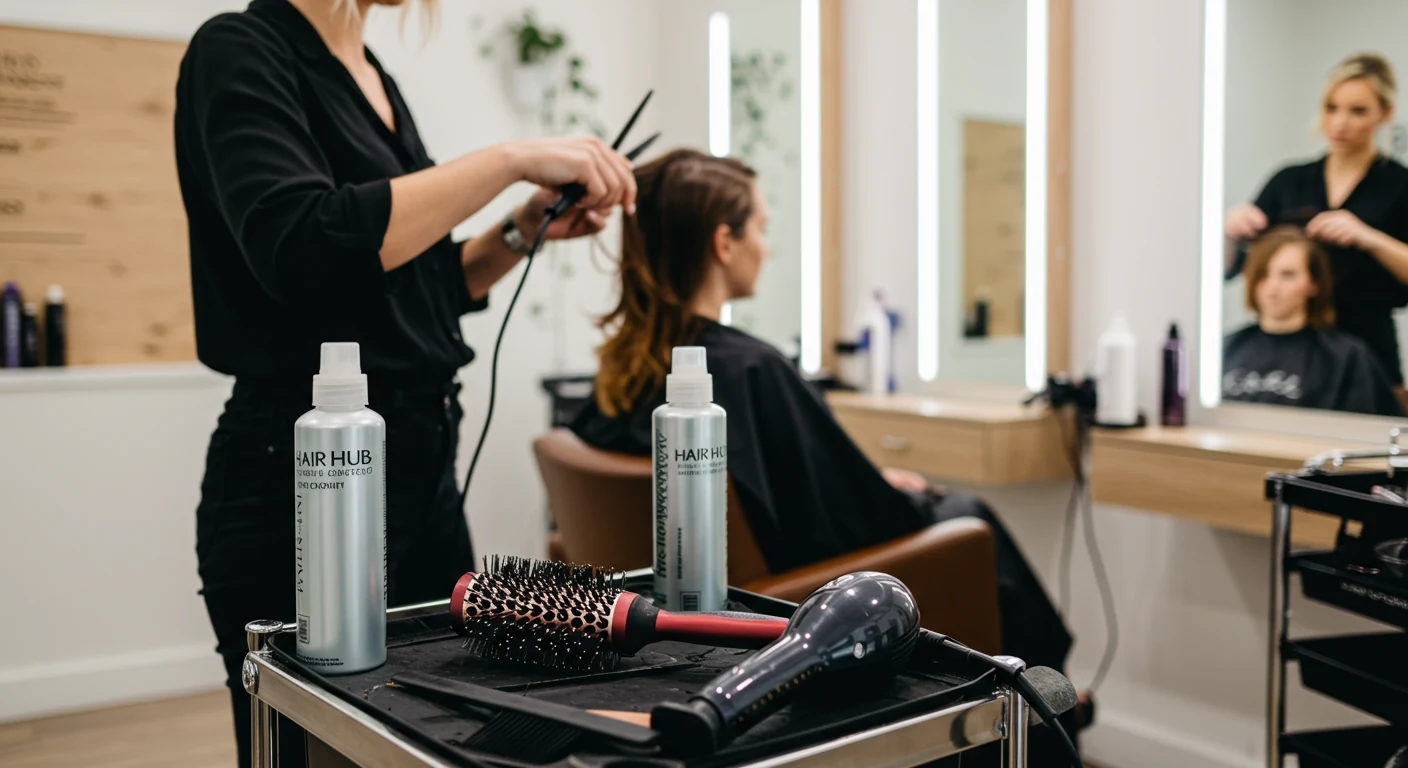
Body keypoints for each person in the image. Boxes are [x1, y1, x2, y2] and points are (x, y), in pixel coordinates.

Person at [175, 0, 637, 764]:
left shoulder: (373, 78)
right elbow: (304, 247)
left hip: (422, 471)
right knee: (310, 742)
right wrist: (510, 158)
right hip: (301, 471)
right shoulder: (238, 49)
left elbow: (420, 287)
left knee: (440, 735)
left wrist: (523, 230)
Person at [570, 148, 1074, 684]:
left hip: (670, 611)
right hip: (784, 607)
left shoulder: (626, 367)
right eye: (760, 228)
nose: (766, 248)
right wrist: (888, 492)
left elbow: (800, 495)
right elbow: (845, 518)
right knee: (968, 515)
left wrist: (865, 482)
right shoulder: (751, 368)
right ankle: (1044, 693)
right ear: (724, 243)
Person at [1225, 53, 1408, 387]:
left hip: (1368, 353)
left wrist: (1369, 238)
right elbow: (1231, 268)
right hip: (1286, 353)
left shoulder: (1400, 187)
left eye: (1358, 111)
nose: (1339, 123)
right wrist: (1229, 233)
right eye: (1331, 107)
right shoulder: (1289, 182)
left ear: (1386, 113)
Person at [1224, 227, 1401, 416]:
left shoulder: (1345, 357)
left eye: (1287, 275)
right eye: (1263, 275)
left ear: (1313, 284)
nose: (1272, 287)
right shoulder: (1223, 348)